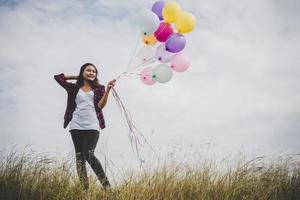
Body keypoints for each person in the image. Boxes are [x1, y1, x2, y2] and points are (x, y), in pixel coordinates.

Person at [54, 63, 116, 191]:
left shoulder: (100, 88)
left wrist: (108, 89)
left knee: (88, 153)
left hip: (92, 124)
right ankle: (85, 191)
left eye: (94, 71)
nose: (92, 73)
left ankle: (107, 187)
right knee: (79, 157)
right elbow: (58, 77)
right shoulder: (74, 88)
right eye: (88, 70)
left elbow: (100, 106)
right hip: (76, 125)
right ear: (82, 72)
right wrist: (79, 77)